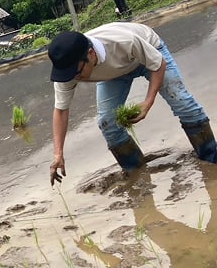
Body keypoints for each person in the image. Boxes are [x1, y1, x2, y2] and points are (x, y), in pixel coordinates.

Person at [47, 23, 216, 185]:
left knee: (182, 102)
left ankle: (211, 158)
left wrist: (148, 102)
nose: (75, 78)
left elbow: (159, 64)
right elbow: (61, 110)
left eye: (77, 72)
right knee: (108, 124)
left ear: (91, 54)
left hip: (149, 54)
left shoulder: (123, 41)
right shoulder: (69, 70)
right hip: (114, 74)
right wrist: (58, 153)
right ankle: (136, 172)